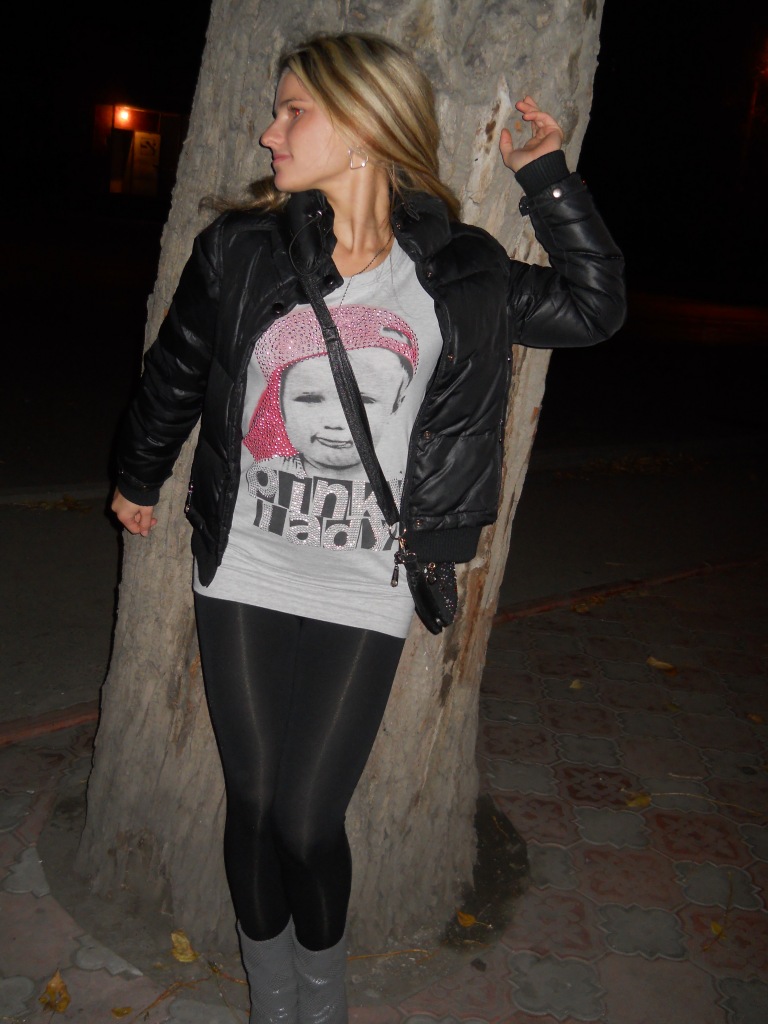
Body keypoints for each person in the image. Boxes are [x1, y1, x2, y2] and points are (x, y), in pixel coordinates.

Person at [111, 31, 626, 1024]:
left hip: (368, 581)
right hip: (247, 563)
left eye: (293, 111)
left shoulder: (463, 275)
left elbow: (595, 308)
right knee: (253, 802)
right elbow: (176, 366)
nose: (269, 133)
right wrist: (137, 472)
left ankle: (324, 999)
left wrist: (546, 177)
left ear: (364, 127)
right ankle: (273, 1000)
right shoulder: (241, 250)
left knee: (308, 818)